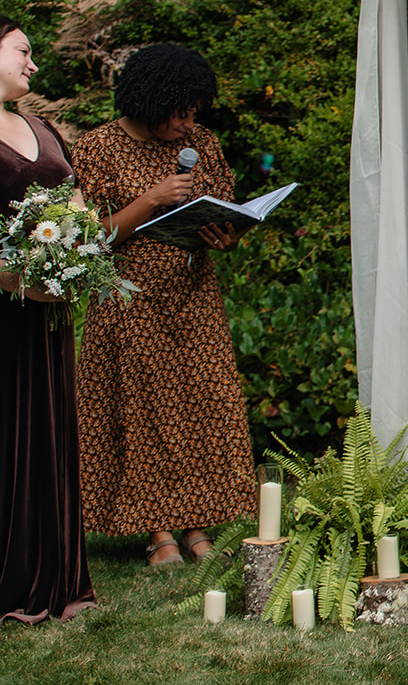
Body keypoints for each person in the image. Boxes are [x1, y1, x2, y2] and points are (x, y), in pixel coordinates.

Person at [72, 43, 256, 568]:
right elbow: (92, 237)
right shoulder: (98, 147)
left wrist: (227, 235)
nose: (188, 120)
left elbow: (224, 211)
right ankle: (158, 533)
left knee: (200, 408)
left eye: (194, 108)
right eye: (179, 109)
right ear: (149, 101)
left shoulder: (203, 144)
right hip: (130, 302)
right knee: (144, 415)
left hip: (193, 298)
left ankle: (198, 525)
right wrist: (152, 198)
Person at [0, 16, 98, 622]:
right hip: (5, 309)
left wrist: (77, 259)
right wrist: (9, 278)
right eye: (22, 52)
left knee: (48, 433)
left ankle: (56, 576)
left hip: (48, 317)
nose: (34, 66)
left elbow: (78, 208)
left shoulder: (44, 127)